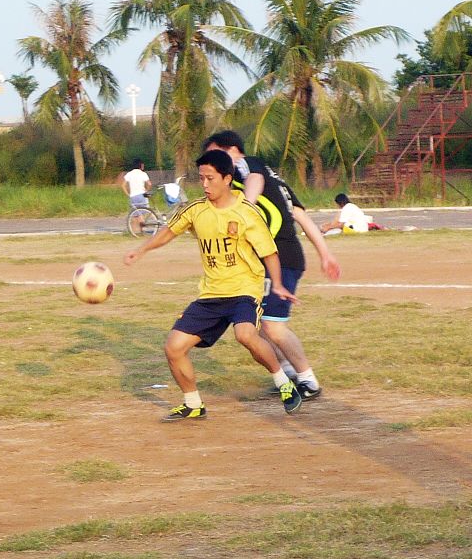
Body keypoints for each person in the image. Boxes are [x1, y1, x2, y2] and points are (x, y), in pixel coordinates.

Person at [123, 149, 302, 421]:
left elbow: (269, 253)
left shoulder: (247, 213)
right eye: (201, 178)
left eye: (210, 178)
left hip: (244, 290)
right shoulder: (196, 210)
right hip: (211, 293)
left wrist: (277, 284)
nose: (205, 185)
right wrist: (141, 250)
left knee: (245, 335)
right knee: (173, 347)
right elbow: (169, 232)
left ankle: (284, 383)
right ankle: (193, 403)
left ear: (227, 178)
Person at [203, 130, 341, 400]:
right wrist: (325, 254)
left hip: (281, 258)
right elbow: (301, 216)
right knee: (254, 323)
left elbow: (254, 179)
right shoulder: (277, 181)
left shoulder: (247, 165)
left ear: (232, 150)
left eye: (214, 155)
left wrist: (244, 208)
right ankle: (289, 376)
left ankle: (308, 381)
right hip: (269, 260)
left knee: (272, 325)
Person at [122, 158, 153, 234]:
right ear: (140, 165)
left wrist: (128, 194)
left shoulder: (129, 174)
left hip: (133, 196)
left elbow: (123, 185)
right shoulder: (143, 174)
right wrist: (146, 190)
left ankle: (136, 231)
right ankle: (142, 226)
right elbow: (149, 184)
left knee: (135, 214)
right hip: (142, 195)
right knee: (143, 212)